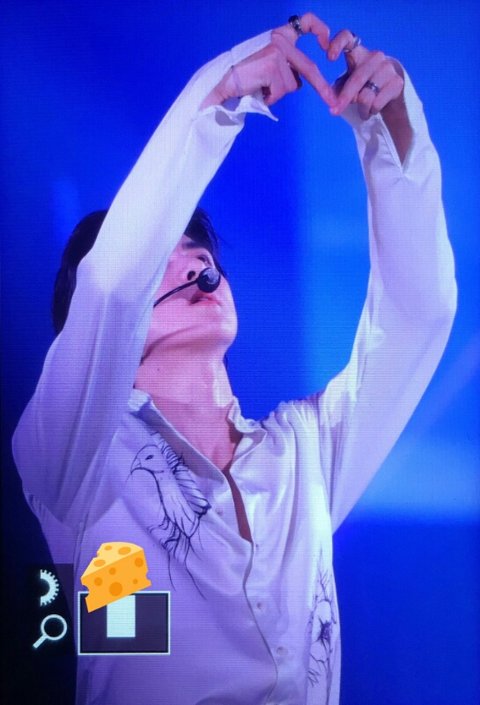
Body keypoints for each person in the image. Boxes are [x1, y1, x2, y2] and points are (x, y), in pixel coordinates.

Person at [12, 12, 457, 705]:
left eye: (200, 251)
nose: (195, 262)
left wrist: (391, 128)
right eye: (163, 257)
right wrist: (219, 97)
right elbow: (110, 286)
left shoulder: (304, 452)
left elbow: (419, 314)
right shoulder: (77, 463)